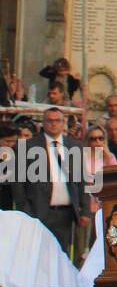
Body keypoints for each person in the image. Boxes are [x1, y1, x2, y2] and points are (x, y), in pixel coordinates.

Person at [12, 108, 91, 255]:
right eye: (50, 120)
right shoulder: (28, 146)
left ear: (63, 124)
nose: (53, 124)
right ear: (43, 123)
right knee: (36, 255)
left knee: (62, 256)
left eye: (57, 121)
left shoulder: (74, 146)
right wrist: (25, 209)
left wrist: (85, 210)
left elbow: (82, 181)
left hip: (65, 214)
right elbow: (18, 182)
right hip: (37, 211)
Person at [0, 122, 18, 210]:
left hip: (9, 201)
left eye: (14, 141)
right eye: (7, 141)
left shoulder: (16, 155)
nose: (11, 144)